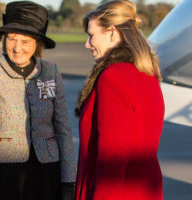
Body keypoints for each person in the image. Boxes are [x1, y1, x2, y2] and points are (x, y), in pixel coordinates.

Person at [0, 1, 76, 200]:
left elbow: (63, 130)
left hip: (46, 171)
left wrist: (68, 180)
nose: (17, 48)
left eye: (25, 41)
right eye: (11, 39)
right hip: (2, 172)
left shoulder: (51, 71)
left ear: (37, 44)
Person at [74, 0, 165, 199]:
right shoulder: (147, 74)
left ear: (113, 32)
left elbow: (113, 158)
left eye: (91, 35)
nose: (87, 44)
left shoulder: (113, 76)